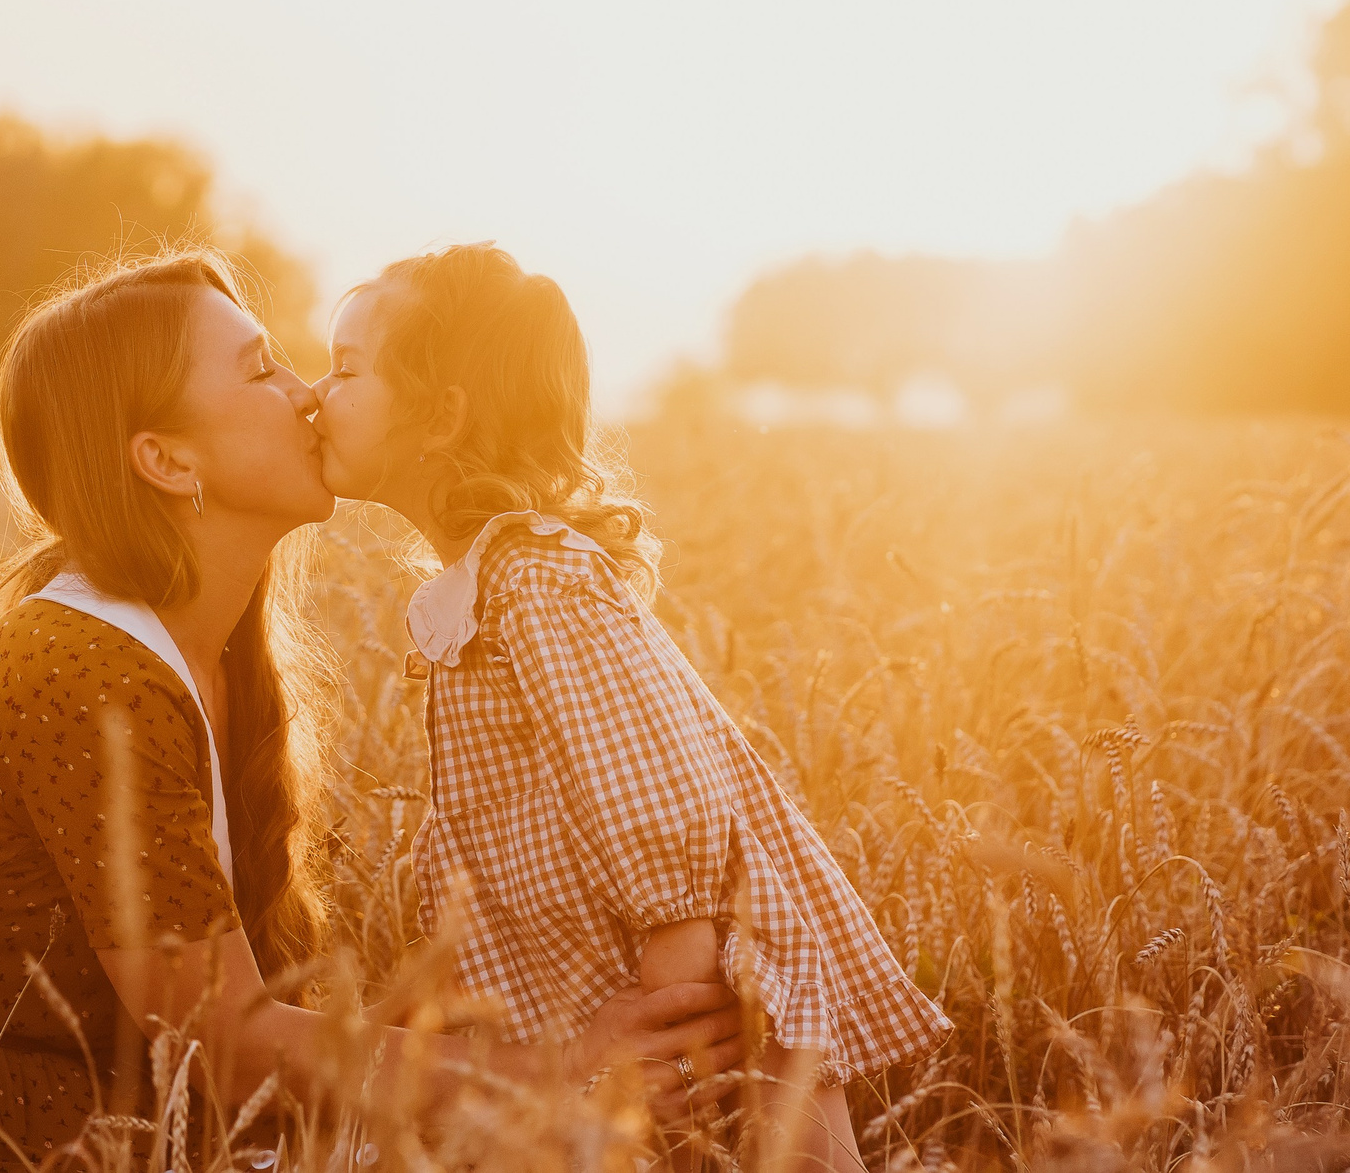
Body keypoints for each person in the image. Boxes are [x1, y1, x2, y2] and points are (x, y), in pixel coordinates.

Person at [0, 248, 744, 1170]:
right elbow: (229, 1047)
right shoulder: (82, 670)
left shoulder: (208, 653)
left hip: (76, 1115)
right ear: (167, 460)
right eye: (262, 371)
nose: (309, 396)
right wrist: (557, 1070)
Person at [310, 243, 952, 1170]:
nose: (314, 392)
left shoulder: (538, 578)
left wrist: (680, 974)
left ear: (440, 418)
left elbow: (655, 782)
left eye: (344, 369)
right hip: (621, 986)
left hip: (713, 985)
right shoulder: (494, 585)